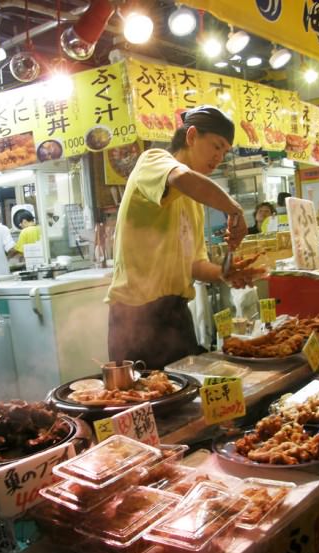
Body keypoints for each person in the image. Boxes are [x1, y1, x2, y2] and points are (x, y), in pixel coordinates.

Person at [106, 105, 259, 369]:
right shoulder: (153, 161)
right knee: (145, 401)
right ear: (191, 136)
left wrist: (225, 273)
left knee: (189, 396)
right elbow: (182, 177)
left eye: (224, 152)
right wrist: (234, 208)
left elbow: (194, 265)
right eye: (216, 146)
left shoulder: (195, 202)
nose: (219, 157)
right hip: (136, 314)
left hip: (176, 314)